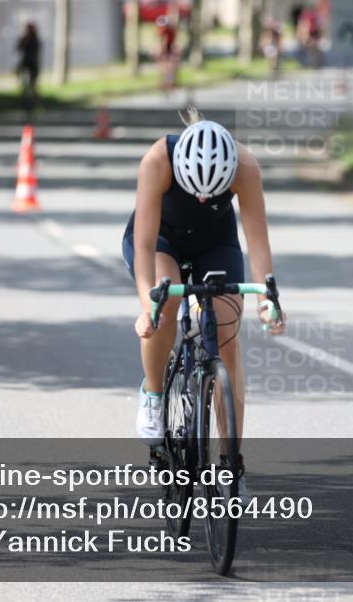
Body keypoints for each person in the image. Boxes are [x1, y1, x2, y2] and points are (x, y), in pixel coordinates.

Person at [122, 116, 287, 496]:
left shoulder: (245, 167)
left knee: (227, 332)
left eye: (210, 194)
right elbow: (144, 246)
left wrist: (268, 301)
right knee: (166, 305)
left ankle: (231, 466)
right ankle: (153, 392)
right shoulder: (157, 161)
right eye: (193, 190)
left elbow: (257, 243)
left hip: (215, 242)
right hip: (161, 240)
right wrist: (147, 306)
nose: (200, 200)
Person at [16, 23, 41, 106]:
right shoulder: (24, 38)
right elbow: (18, 48)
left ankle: (36, 102)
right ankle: (24, 102)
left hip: (33, 64)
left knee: (33, 84)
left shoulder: (35, 39)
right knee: (24, 83)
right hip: (25, 64)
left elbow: (36, 51)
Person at [156, 15, 179, 92]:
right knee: (165, 66)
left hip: (169, 48)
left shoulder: (170, 31)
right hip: (165, 49)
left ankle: (170, 81)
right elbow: (161, 41)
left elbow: (169, 42)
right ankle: (166, 81)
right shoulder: (162, 30)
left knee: (170, 65)